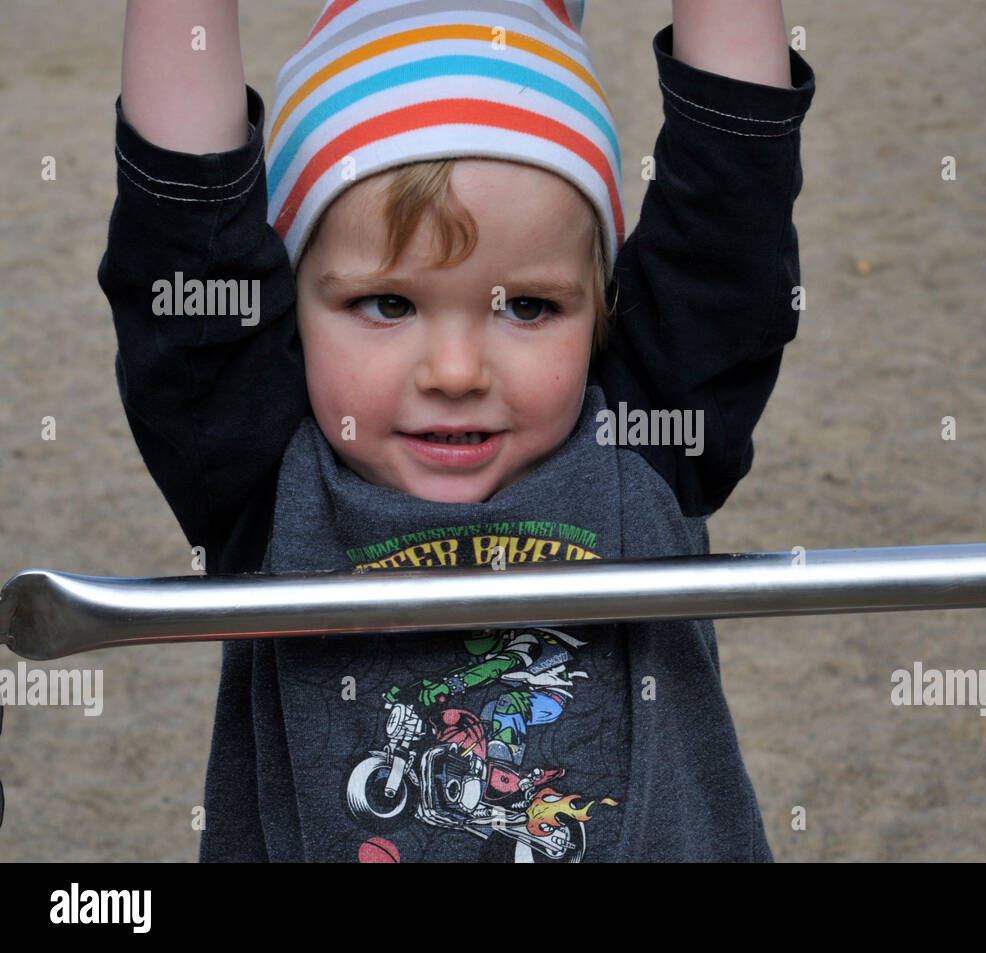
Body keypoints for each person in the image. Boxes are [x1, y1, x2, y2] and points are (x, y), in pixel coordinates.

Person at [100, 0, 815, 861]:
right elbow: (182, 242)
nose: (456, 371)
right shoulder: (262, 478)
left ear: (601, 314)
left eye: (529, 306)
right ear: (290, 314)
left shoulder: (648, 439)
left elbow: (729, 222)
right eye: (388, 303)